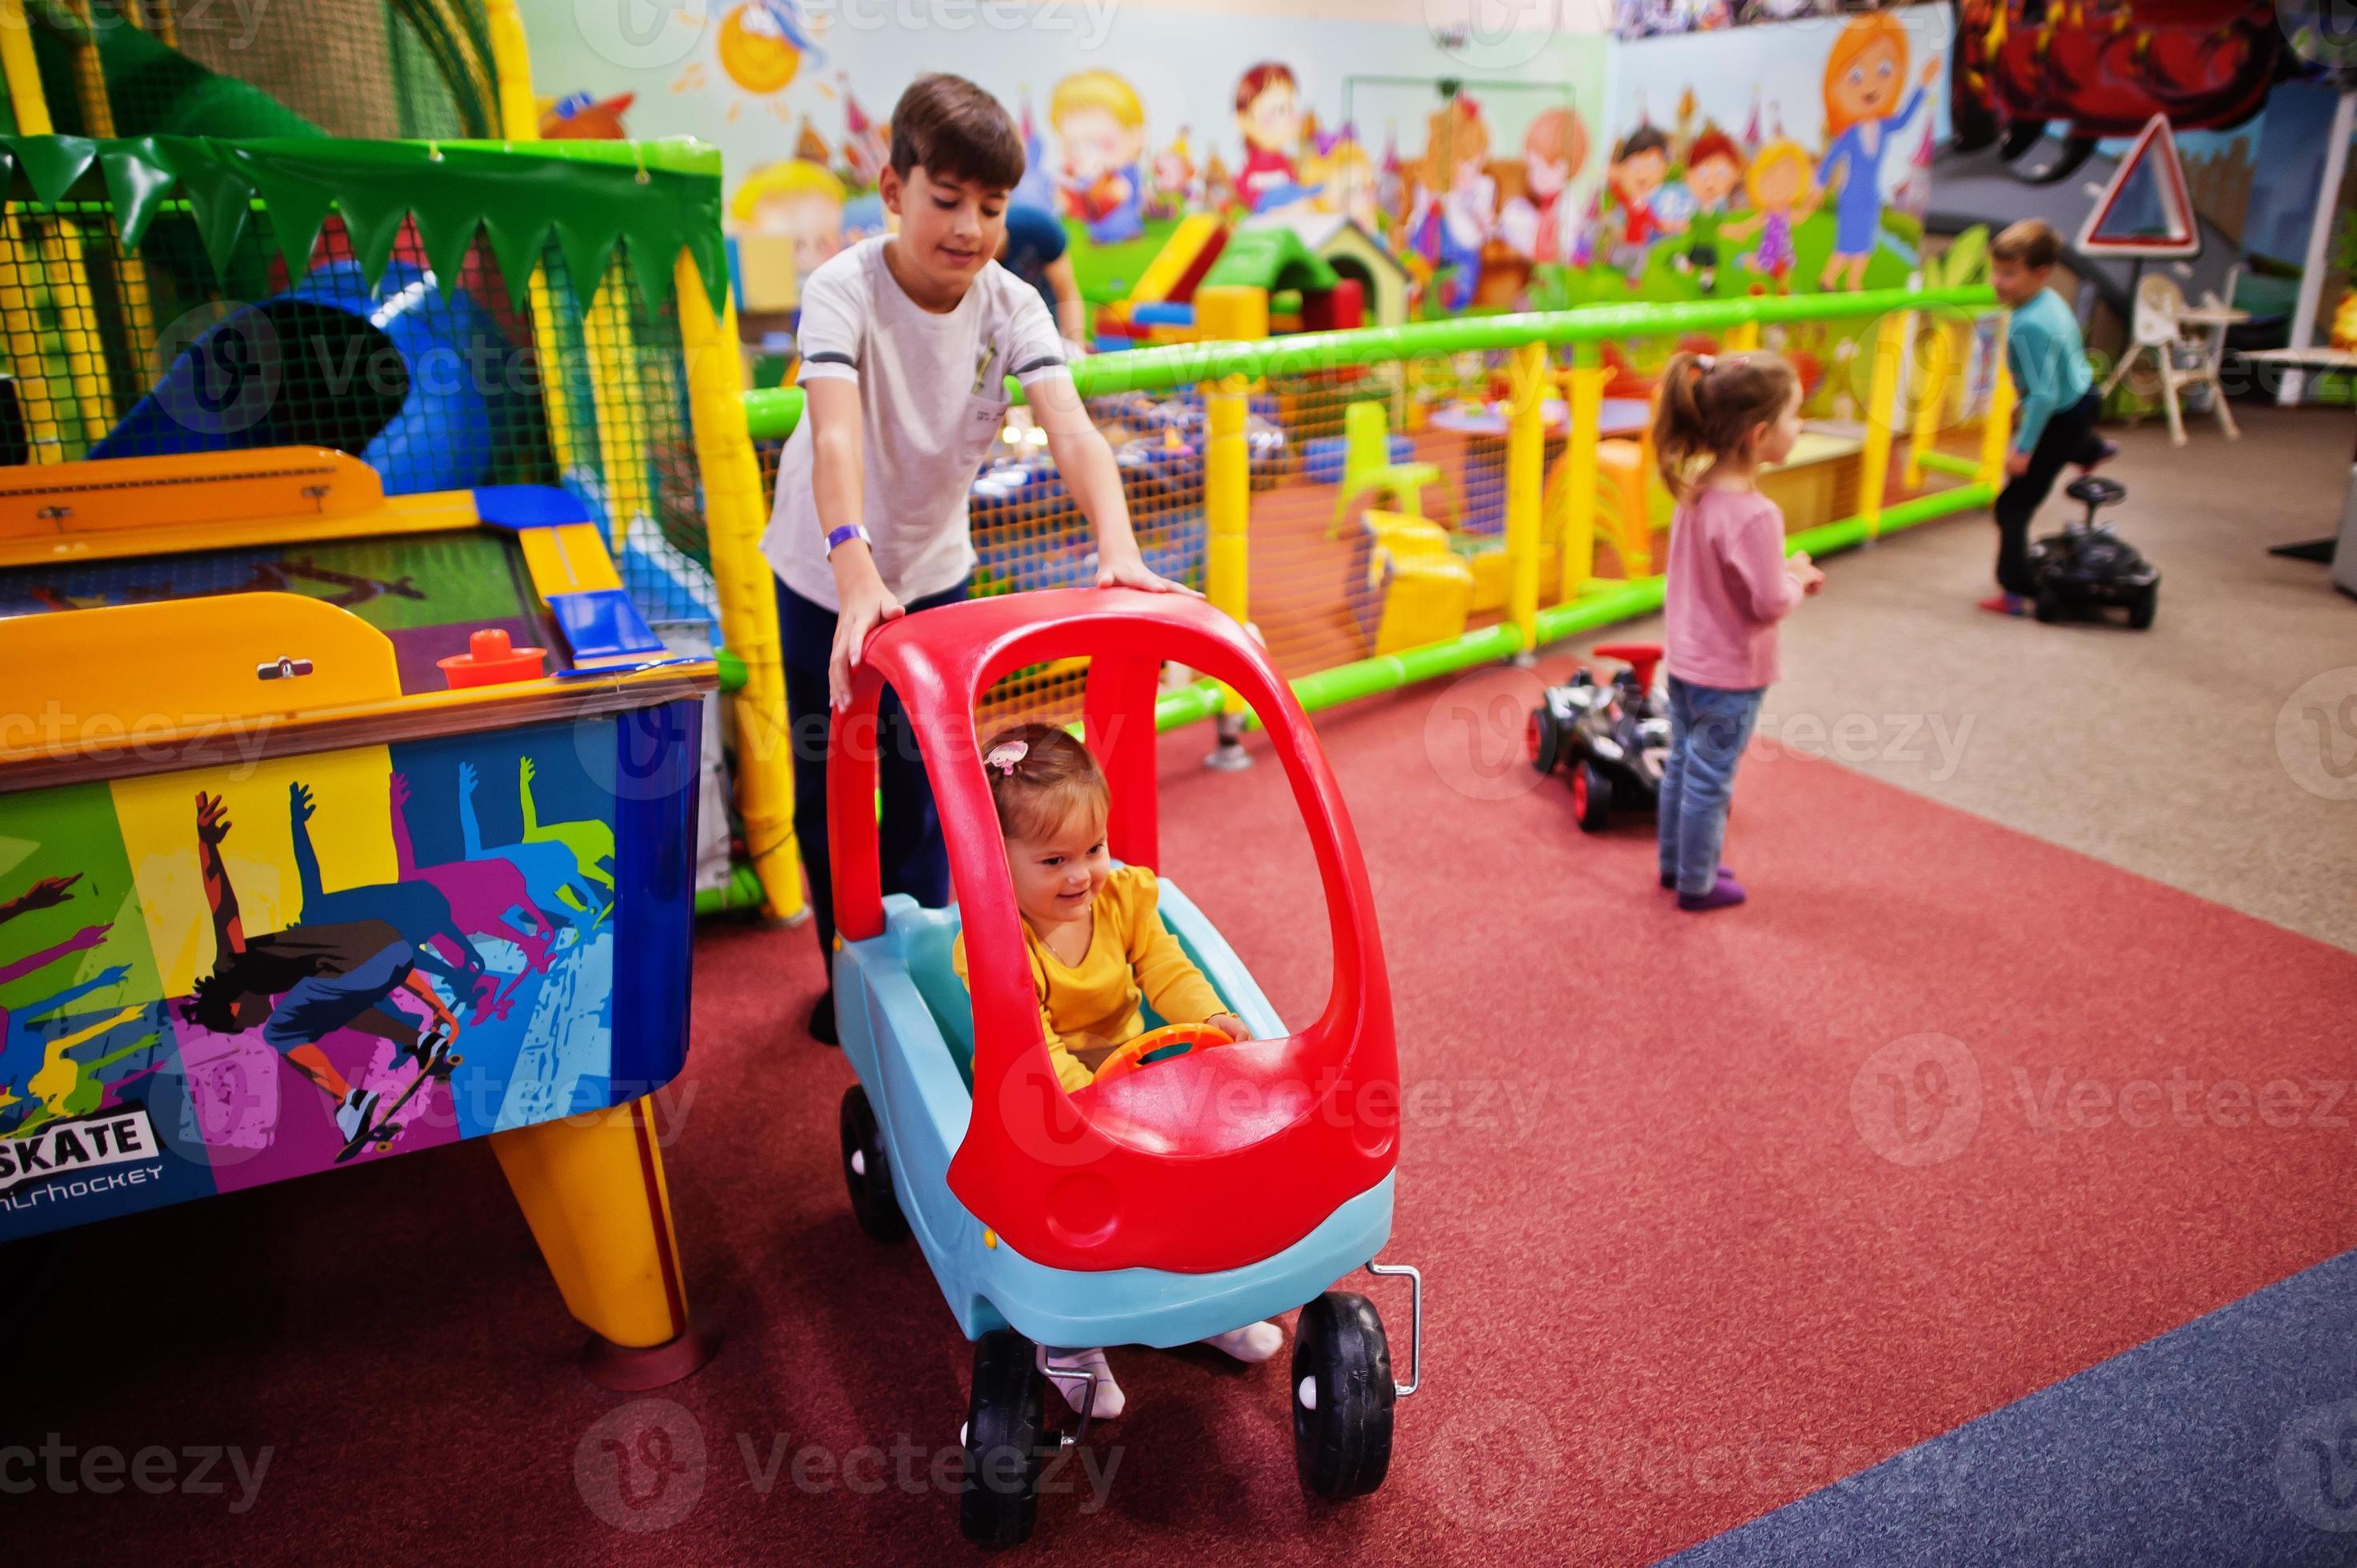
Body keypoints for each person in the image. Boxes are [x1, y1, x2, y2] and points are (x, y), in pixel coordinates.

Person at [763, 74, 1194, 1046]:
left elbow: (1073, 430)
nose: (969, 227)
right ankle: (846, 964)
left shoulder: (1011, 303)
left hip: (933, 568)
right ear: (893, 189)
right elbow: (834, 437)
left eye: (990, 208)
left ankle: (915, 971)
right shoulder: (845, 289)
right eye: (945, 200)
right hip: (820, 569)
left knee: (931, 777)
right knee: (828, 767)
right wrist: (853, 570)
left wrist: (1116, 548)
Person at [952, 722, 1279, 1417]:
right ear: (993, 861)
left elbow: (1166, 967)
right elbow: (1032, 1044)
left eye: (1093, 849)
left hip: (1130, 1080)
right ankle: (1069, 1339)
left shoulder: (1123, 897)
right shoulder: (993, 943)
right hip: (1038, 1098)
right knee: (1070, 1201)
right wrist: (1089, 1104)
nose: (1081, 875)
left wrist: (1211, 1017)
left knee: (1195, 1168)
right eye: (1053, 861)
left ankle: (1205, 1301)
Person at [1652, 352, 1825, 911]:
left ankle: (1678, 864)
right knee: (1710, 778)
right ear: (1758, 434)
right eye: (1795, 417)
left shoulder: (1696, 488)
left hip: (1684, 661)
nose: (1801, 427)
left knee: (1682, 763)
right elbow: (1768, 602)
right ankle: (1698, 885)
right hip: (1729, 674)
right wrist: (1796, 577)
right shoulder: (1754, 513)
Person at [1981, 218, 2117, 617]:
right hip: (2083, 395)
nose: (1997, 282)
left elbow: (2043, 395)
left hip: (2060, 414)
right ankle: (2090, 448)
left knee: (2012, 507)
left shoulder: (2029, 324)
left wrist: (2024, 446)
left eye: (2009, 274)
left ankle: (2016, 590)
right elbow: (2051, 374)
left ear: (2041, 273)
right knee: (2077, 437)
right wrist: (2024, 398)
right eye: (1997, 271)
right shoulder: (2050, 301)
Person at [997, 202, 1087, 348]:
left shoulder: (1036, 228)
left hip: (1047, 329)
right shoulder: (959, 259)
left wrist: (1076, 347)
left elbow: (1066, 292)